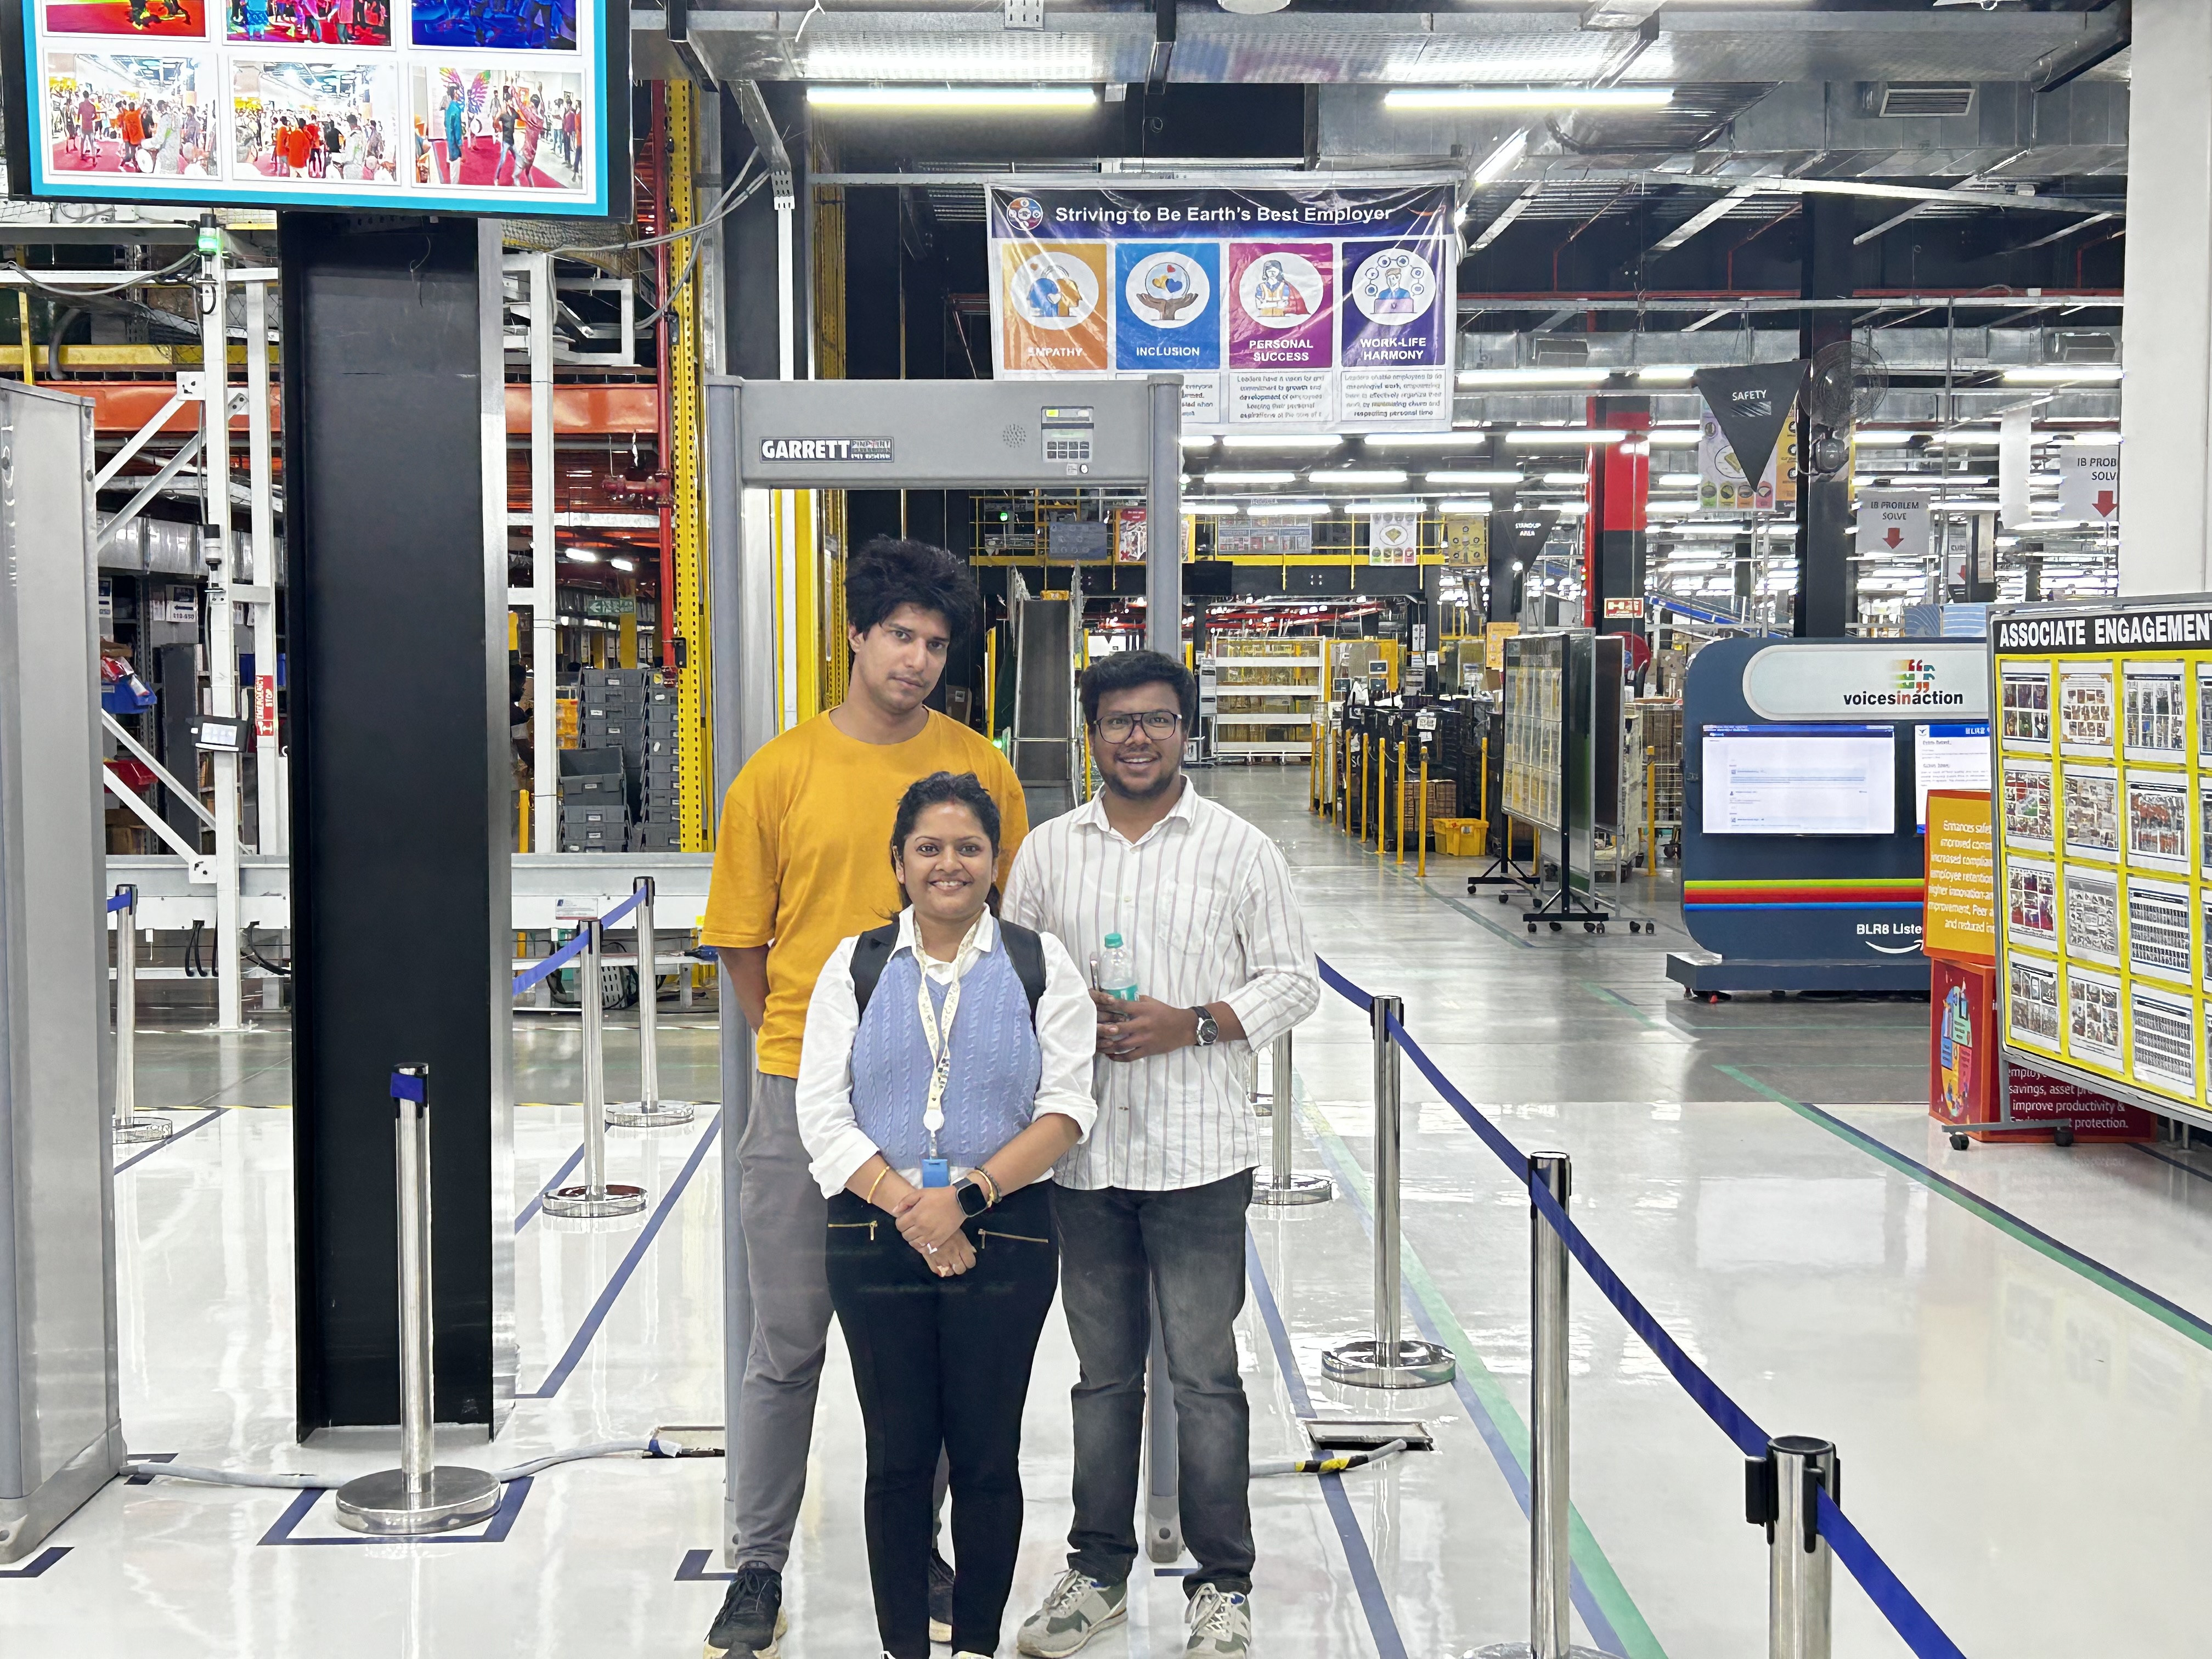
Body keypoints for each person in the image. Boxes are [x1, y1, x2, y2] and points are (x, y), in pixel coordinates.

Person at [697, 539, 1030, 1659]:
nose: (917, 660)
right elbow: (745, 943)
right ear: (855, 635)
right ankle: (756, 1565)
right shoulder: (779, 774)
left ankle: (915, 1543)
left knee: (933, 1348)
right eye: (900, 635)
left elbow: (1009, 931)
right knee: (785, 1343)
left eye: (937, 645)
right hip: (801, 1096)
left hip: (944, 1108)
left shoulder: (981, 767)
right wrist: (805, 1044)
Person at [1003, 649, 1318, 1659]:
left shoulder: (1240, 850)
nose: (1138, 736)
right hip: (1083, 1162)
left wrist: (1199, 1022)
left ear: (1188, 730)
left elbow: (1292, 980)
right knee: (1102, 1381)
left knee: (1206, 1379)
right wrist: (1067, 1015)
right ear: (1090, 733)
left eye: (1158, 719)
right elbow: (1011, 975)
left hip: (1199, 1159)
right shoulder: (1049, 854)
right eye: (1119, 721)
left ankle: (1221, 1584)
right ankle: (1097, 1571)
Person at [797, 771, 1094, 1659]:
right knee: (895, 1458)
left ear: (993, 863)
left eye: (968, 848)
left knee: (987, 1455)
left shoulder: (1042, 965)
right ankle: (905, 1648)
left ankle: (973, 1646)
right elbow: (822, 1112)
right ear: (898, 863)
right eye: (929, 848)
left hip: (1004, 1233)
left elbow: (1067, 1111)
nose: (949, 865)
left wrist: (961, 1202)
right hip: (872, 1233)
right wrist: (910, 1207)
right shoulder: (853, 965)